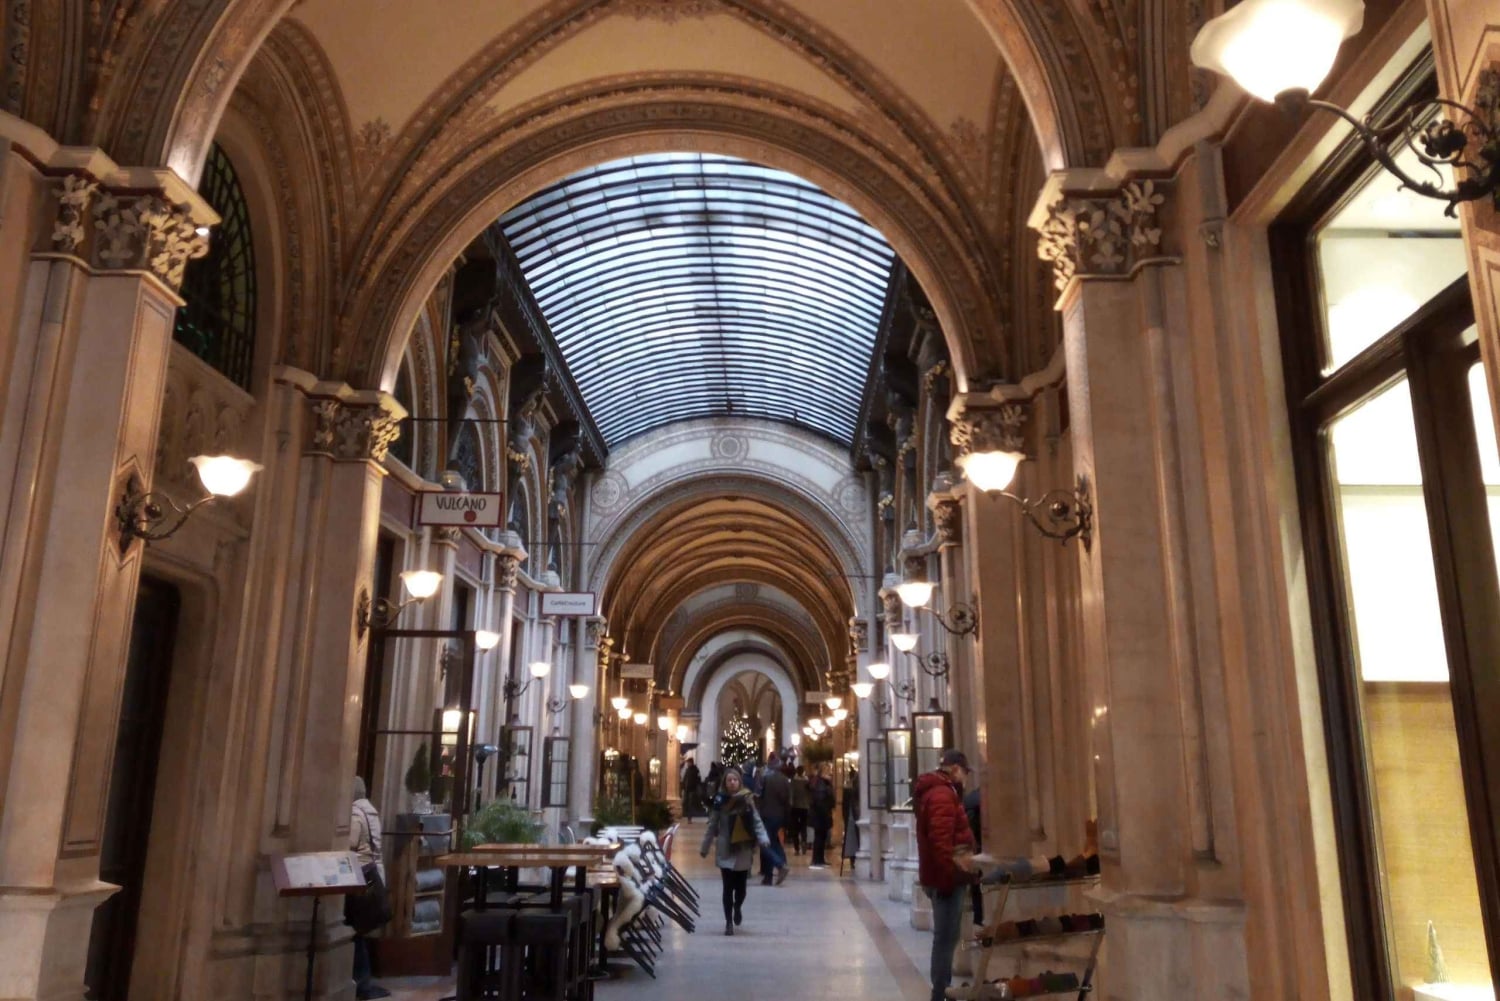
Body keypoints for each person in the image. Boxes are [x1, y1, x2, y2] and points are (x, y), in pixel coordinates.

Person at [914, 750, 979, 1001]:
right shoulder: (942, 794)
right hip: (946, 878)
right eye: (964, 772)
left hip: (942, 876)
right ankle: (941, 993)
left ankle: (942, 990)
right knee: (945, 937)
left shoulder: (942, 791)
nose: (965, 778)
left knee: (946, 936)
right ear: (954, 769)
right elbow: (941, 842)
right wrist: (951, 874)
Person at [700, 766, 772, 935]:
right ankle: (728, 923)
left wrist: (763, 838)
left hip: (742, 848)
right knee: (727, 887)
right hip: (725, 848)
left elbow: (756, 820)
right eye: (729, 780)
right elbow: (712, 824)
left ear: (739, 781)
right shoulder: (720, 800)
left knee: (741, 889)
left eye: (735, 780)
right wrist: (705, 846)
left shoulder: (747, 798)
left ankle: (737, 906)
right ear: (725, 783)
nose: (732, 783)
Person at [349, 777, 391, 1000]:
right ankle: (362, 980)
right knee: (359, 931)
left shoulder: (356, 812)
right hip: (374, 874)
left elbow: (350, 842)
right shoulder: (371, 810)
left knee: (354, 931)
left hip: (360, 877)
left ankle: (361, 982)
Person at [755, 754, 791, 885]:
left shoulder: (765, 777)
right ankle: (781, 865)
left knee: (764, 844)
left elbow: (758, 795)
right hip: (779, 816)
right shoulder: (785, 780)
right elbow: (787, 801)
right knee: (774, 842)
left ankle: (779, 866)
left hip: (767, 814)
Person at [808, 763, 835, 869]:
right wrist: (825, 813)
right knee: (819, 838)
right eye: (828, 769)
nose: (830, 771)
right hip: (820, 816)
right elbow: (820, 800)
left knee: (821, 837)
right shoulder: (821, 783)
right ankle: (816, 860)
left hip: (822, 815)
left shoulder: (823, 782)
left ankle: (820, 859)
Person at [788, 764, 810, 854]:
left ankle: (797, 848)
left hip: (795, 807)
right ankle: (804, 841)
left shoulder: (793, 781)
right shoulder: (807, 781)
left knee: (795, 828)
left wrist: (790, 804)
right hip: (805, 807)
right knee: (804, 826)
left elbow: (791, 794)